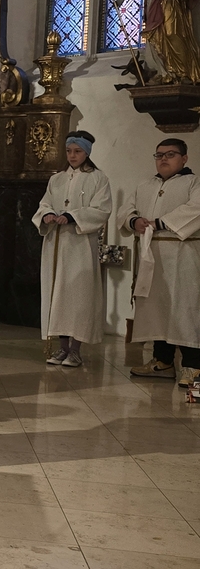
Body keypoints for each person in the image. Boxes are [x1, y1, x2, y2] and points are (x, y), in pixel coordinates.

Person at [118, 139, 200, 387]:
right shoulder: (145, 185)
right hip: (150, 254)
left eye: (170, 154)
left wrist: (161, 223)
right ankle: (162, 362)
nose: (163, 158)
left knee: (184, 308)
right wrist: (134, 221)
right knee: (157, 308)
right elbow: (125, 211)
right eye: (159, 155)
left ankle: (193, 366)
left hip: (183, 256)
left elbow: (197, 208)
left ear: (184, 159)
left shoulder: (193, 182)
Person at [33, 132, 112, 367]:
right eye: (69, 151)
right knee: (58, 295)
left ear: (87, 152)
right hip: (56, 243)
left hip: (80, 244)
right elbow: (44, 203)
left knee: (78, 296)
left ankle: (76, 349)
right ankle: (62, 347)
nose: (72, 156)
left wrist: (72, 216)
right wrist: (47, 214)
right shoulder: (56, 179)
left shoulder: (98, 178)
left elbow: (102, 209)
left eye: (77, 151)